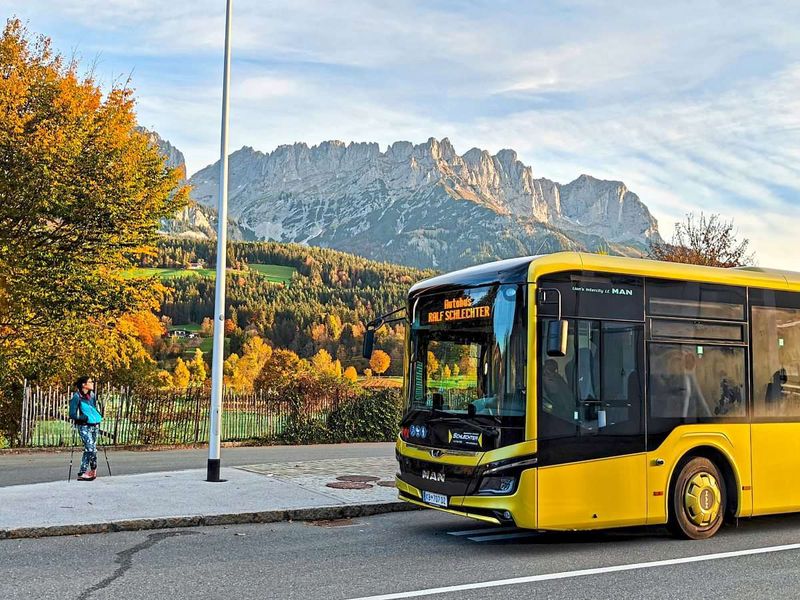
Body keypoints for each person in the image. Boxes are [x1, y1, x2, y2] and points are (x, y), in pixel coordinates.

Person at [69, 376, 102, 481]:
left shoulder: (92, 395)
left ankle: (87, 471)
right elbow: (72, 414)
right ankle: (87, 471)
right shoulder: (76, 397)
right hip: (84, 426)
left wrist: (97, 416)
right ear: (84, 384)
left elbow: (93, 408)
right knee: (91, 448)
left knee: (91, 449)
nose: (92, 383)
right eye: (90, 382)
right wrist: (84, 418)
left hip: (94, 425)